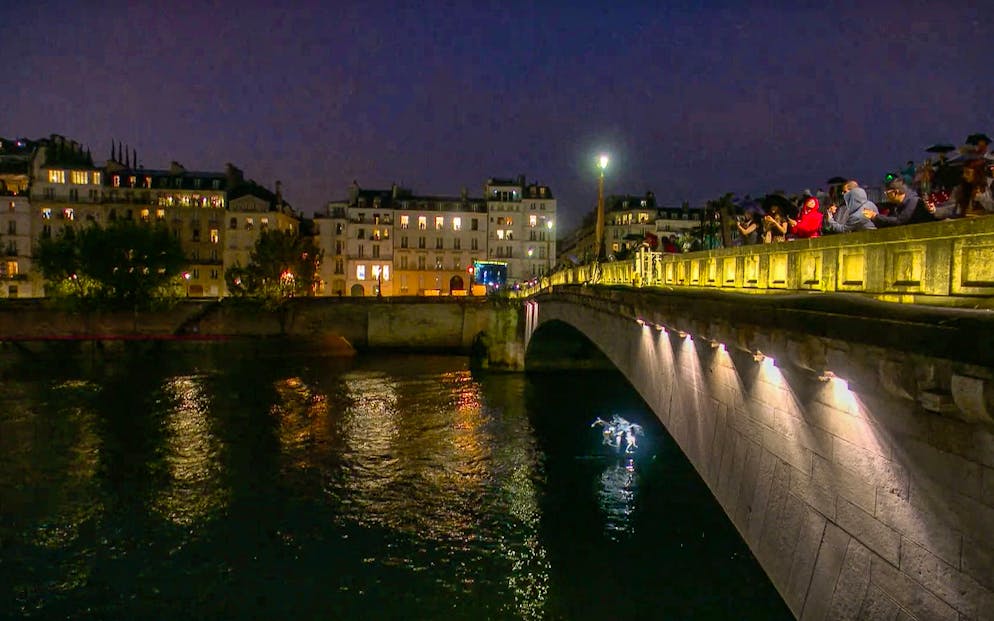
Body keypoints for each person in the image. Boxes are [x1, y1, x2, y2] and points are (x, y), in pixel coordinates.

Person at [864, 178, 935, 227]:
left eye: (887, 193)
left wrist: (875, 216)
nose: (886, 196)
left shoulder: (913, 202)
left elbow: (900, 221)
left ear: (896, 192)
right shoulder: (899, 204)